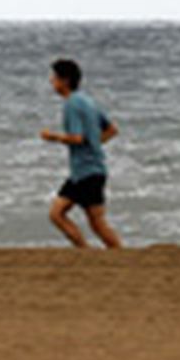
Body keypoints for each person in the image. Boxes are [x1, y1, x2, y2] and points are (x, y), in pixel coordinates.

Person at [40, 59, 122, 249]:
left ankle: (89, 252)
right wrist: (94, 144)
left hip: (86, 172)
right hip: (87, 171)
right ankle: (101, 253)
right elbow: (111, 130)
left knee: (60, 215)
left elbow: (76, 138)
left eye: (54, 78)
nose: (51, 81)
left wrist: (53, 137)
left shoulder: (72, 104)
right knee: (95, 222)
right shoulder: (88, 101)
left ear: (65, 80)